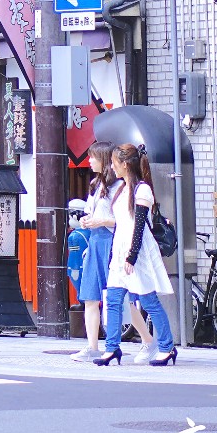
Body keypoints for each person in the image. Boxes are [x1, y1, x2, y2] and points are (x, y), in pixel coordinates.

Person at [93, 143, 177, 367]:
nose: (112, 166)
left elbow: (139, 227)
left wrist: (131, 256)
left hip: (137, 251)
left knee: (149, 301)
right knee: (112, 299)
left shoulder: (142, 190)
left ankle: (167, 347)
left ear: (125, 164)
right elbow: (122, 224)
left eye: (114, 162)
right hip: (121, 249)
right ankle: (112, 348)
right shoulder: (121, 188)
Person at [72, 147, 153, 362]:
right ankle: (92, 346)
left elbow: (126, 221)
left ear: (106, 160)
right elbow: (94, 212)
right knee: (90, 296)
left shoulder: (119, 187)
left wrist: (101, 221)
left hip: (111, 242)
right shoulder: (95, 185)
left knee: (119, 298)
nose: (89, 161)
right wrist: (87, 220)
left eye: (93, 157)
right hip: (95, 241)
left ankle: (148, 339)